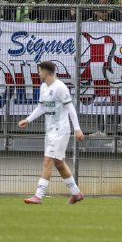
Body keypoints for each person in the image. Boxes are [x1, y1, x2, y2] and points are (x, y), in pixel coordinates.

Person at [18, 61, 86, 205]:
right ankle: (76, 193)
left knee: (48, 160)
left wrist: (77, 128)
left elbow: (70, 108)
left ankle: (38, 195)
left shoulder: (60, 87)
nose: (38, 73)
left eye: (39, 70)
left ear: (45, 71)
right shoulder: (43, 87)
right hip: (50, 131)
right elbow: (41, 107)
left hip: (61, 130)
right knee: (59, 163)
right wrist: (28, 120)